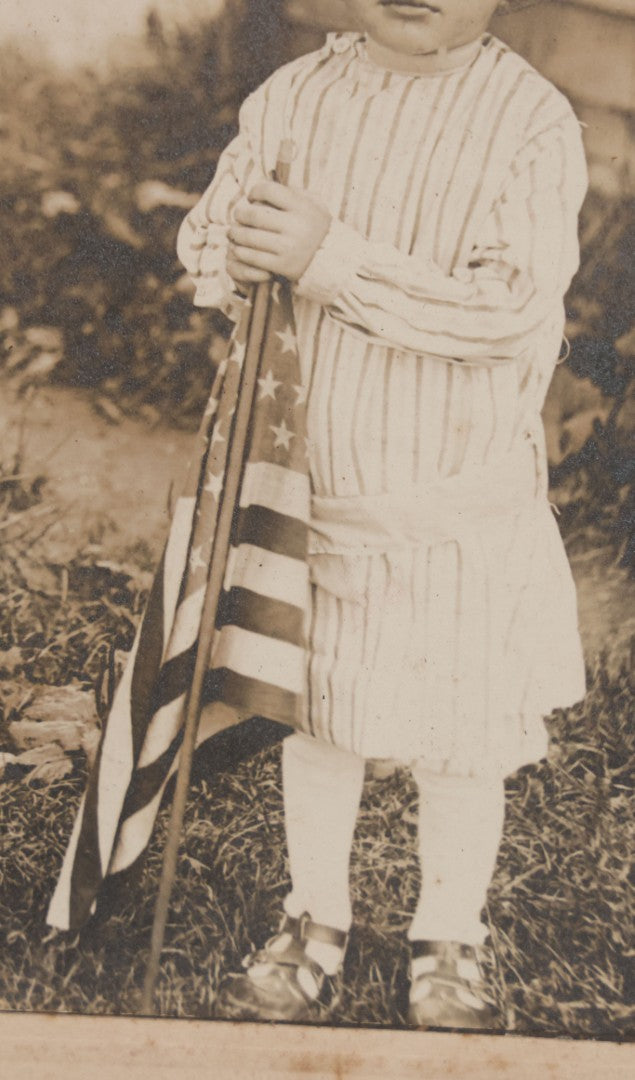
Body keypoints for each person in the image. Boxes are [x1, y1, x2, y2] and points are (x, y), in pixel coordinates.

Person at [175, 0, 588, 1029]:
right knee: (323, 716)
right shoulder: (296, 96)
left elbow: (507, 310)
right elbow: (208, 240)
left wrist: (329, 258)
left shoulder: (528, 120)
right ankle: (314, 915)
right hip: (322, 487)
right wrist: (235, 255)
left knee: (460, 736)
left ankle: (448, 934)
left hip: (455, 503)